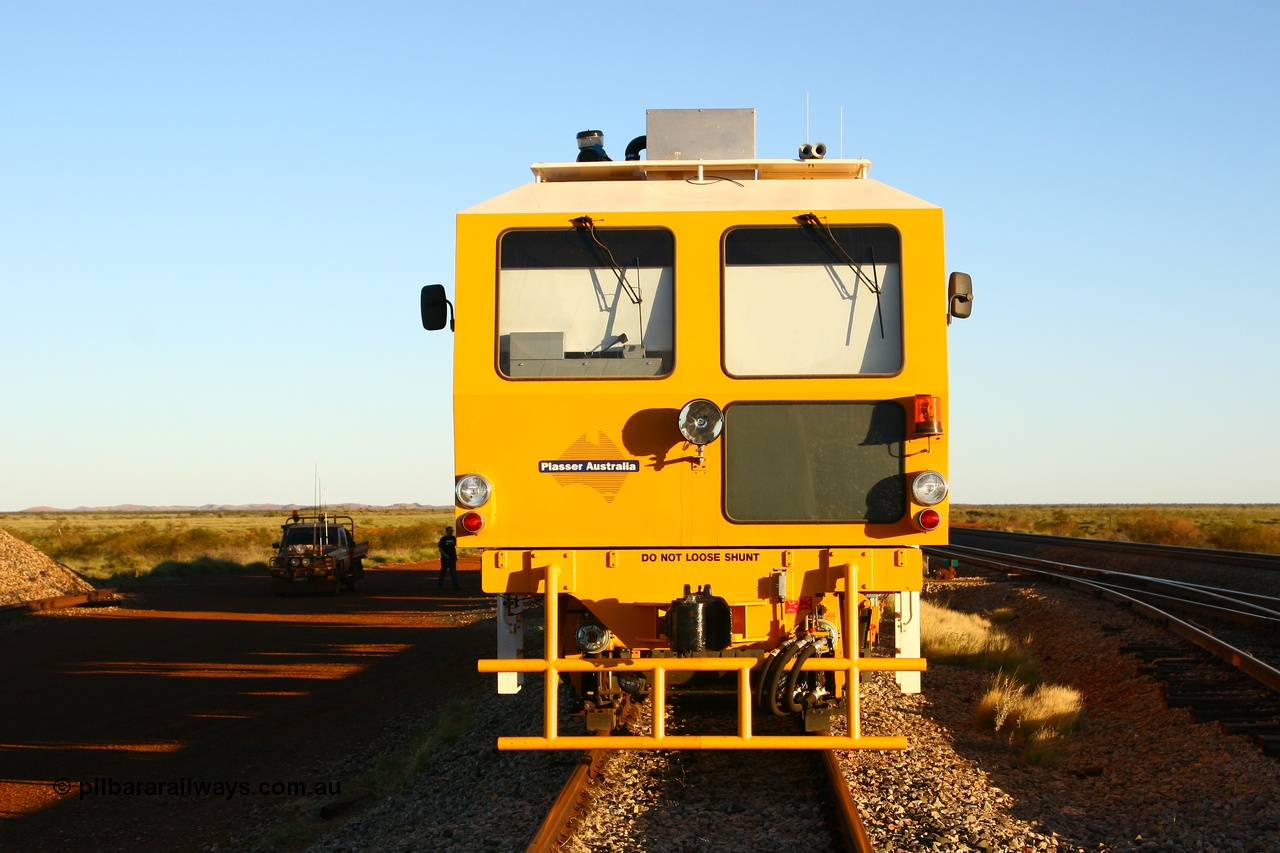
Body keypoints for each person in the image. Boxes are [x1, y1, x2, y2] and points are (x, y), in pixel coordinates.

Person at [438, 526, 459, 590]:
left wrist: (455, 556)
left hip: (452, 558)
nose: (451, 532)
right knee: (443, 572)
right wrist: (445, 555)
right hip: (445, 559)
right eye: (450, 531)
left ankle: (456, 587)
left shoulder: (453, 538)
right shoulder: (443, 539)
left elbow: (455, 546)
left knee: (453, 573)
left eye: (452, 531)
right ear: (447, 531)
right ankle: (439, 586)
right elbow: (440, 548)